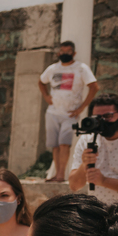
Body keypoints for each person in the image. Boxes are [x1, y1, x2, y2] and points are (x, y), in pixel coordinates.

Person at [40, 41, 98, 182]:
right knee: (55, 145)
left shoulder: (81, 68)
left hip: (70, 114)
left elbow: (94, 87)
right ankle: (56, 174)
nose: (65, 54)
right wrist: (46, 96)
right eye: (62, 51)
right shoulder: (53, 68)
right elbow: (41, 82)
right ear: (59, 53)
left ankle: (61, 175)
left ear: (74, 53)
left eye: (68, 51)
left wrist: (82, 107)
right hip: (53, 112)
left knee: (64, 143)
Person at [68, 93, 118, 204]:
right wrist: (84, 165)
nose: (102, 121)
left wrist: (104, 181)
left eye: (108, 116)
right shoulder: (87, 140)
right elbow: (74, 186)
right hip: (99, 214)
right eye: (97, 118)